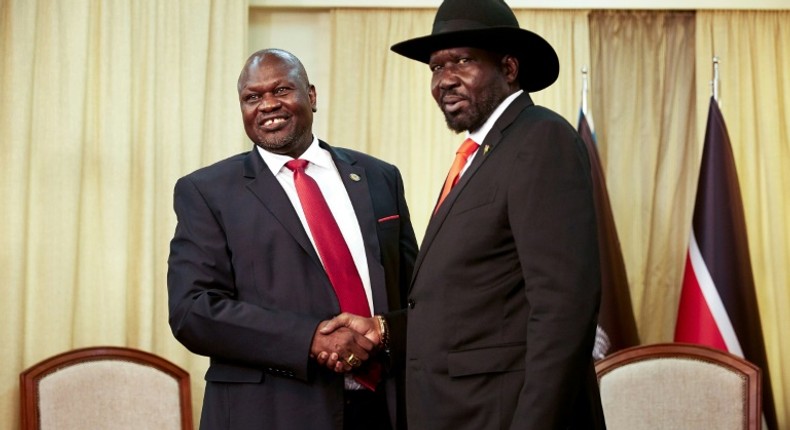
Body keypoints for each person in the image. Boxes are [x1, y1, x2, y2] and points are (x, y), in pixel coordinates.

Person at [321, 0, 605, 428]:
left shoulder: (542, 139)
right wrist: (386, 330)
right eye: (436, 68)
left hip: (504, 415)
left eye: (462, 61)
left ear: (509, 69)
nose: (445, 80)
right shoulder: (482, 154)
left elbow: (564, 310)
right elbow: (473, 301)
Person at [167, 48, 418, 430]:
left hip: (385, 408)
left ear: (311, 96)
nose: (268, 104)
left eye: (281, 90)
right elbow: (193, 311)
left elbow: (417, 292)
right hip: (271, 412)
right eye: (253, 97)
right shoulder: (207, 191)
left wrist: (384, 331)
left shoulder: (379, 177)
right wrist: (309, 339)